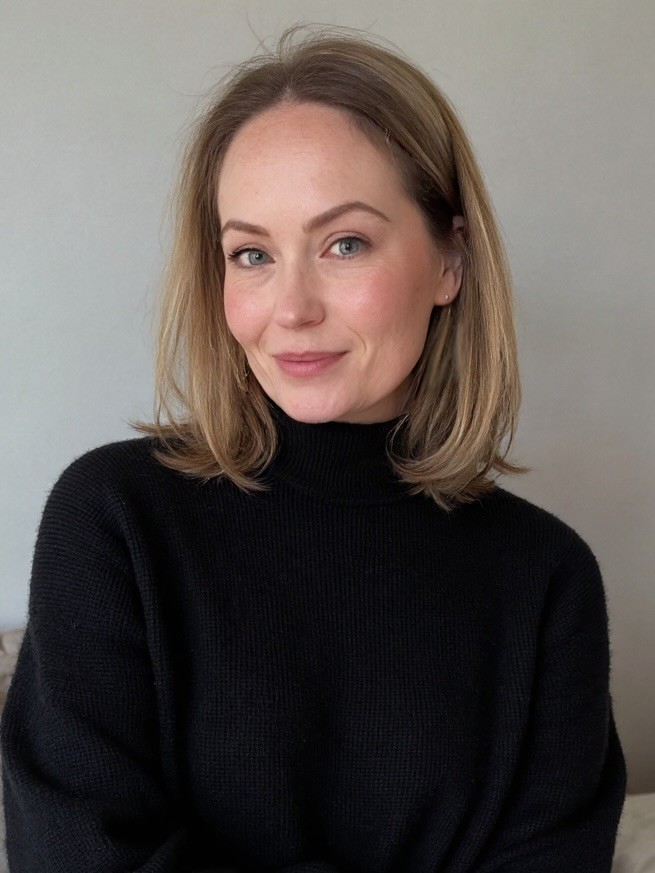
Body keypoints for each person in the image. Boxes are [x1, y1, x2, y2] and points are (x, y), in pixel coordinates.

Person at [0, 23, 627, 873]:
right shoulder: (115, 519)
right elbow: (75, 852)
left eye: (344, 244)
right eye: (251, 253)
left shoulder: (546, 578)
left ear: (450, 259)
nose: (290, 307)